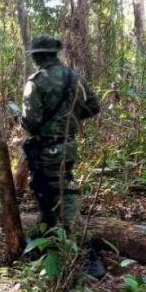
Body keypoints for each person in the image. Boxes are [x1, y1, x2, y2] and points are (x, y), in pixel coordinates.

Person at [20, 35, 106, 279]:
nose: (34, 59)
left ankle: (90, 258)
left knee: (64, 200)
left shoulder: (35, 82)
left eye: (35, 55)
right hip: (68, 147)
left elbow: (31, 123)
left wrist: (19, 117)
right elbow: (93, 106)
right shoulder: (73, 77)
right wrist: (69, 119)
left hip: (48, 149)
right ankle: (41, 243)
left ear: (40, 56)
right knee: (46, 194)